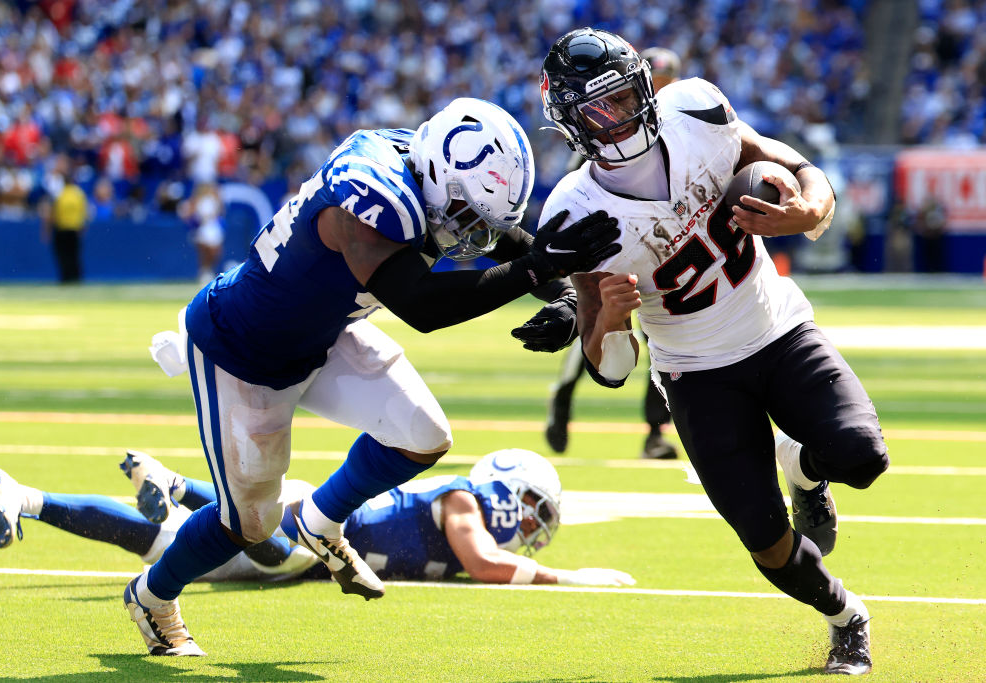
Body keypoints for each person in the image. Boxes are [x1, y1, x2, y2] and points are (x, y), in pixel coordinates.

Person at [123, 97, 621, 656]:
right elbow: (421, 305)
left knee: (424, 435)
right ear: (439, 176)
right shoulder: (373, 193)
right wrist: (538, 269)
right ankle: (152, 596)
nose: (471, 231)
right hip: (243, 353)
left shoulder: (433, 172)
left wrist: (562, 293)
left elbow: (505, 237)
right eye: (466, 213)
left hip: (323, 333)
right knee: (250, 524)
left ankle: (320, 521)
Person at [534, 28, 889, 676]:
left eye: (624, 97)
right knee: (767, 543)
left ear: (647, 87)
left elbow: (801, 169)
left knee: (863, 456)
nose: (618, 117)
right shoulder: (573, 213)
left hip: (776, 326)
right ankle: (848, 618)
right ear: (570, 121)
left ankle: (803, 468)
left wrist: (809, 211)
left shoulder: (696, 111)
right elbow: (609, 368)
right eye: (598, 108)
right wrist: (609, 318)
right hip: (696, 373)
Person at [0, 450, 633, 595]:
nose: (532, 526)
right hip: (307, 526)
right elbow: (487, 564)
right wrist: (568, 577)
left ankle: (22, 496)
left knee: (157, 541)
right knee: (267, 544)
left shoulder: (463, 509)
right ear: (507, 489)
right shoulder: (462, 501)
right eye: (532, 508)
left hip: (297, 552)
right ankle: (175, 484)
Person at [519, 47, 683, 460]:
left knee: (662, 337)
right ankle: (563, 396)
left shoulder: (680, 127)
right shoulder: (599, 133)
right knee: (596, 322)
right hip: (613, 244)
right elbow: (578, 191)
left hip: (668, 244)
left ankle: (655, 432)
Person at [39, 155, 88, 283]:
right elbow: (84, 213)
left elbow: (51, 213)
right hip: (75, 228)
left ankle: (66, 278)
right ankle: (76, 278)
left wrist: (47, 230)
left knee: (63, 255)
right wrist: (82, 228)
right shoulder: (78, 193)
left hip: (61, 228)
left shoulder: (59, 194)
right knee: (74, 255)